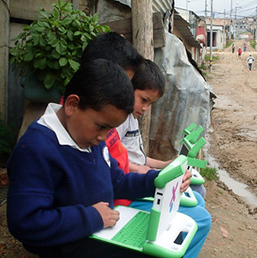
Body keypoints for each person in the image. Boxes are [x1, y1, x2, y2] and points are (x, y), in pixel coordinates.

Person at [6, 59, 167, 257]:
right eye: (101, 126)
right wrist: (91, 218)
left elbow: (115, 180)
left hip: (102, 231)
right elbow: (26, 222)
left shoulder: (91, 139)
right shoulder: (36, 149)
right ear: (72, 105)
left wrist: (156, 181)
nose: (104, 137)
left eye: (110, 129)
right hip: (70, 245)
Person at [81, 32, 211, 257]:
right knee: (197, 218)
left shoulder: (104, 128)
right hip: (110, 216)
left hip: (114, 207)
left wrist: (158, 175)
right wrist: (91, 218)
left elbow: (117, 177)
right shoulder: (83, 132)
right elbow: (31, 222)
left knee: (195, 209)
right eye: (142, 99)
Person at [116, 59, 207, 200]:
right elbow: (116, 160)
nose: (145, 108)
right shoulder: (119, 120)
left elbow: (139, 158)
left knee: (197, 189)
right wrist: (144, 171)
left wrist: (165, 164)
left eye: (150, 103)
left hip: (142, 175)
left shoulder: (132, 118)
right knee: (198, 193)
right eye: (143, 100)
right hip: (133, 181)